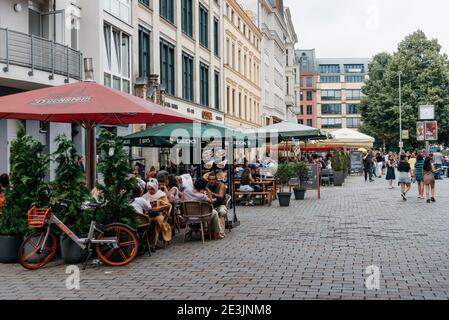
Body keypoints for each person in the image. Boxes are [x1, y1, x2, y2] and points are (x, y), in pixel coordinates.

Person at [143, 179, 172, 249]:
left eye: (152, 189)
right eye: (148, 189)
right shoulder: (145, 196)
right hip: (148, 215)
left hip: (160, 214)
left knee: (157, 221)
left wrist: (159, 205)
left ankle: (154, 243)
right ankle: (147, 242)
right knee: (146, 222)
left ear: (155, 187)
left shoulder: (161, 195)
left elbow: (168, 205)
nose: (150, 191)